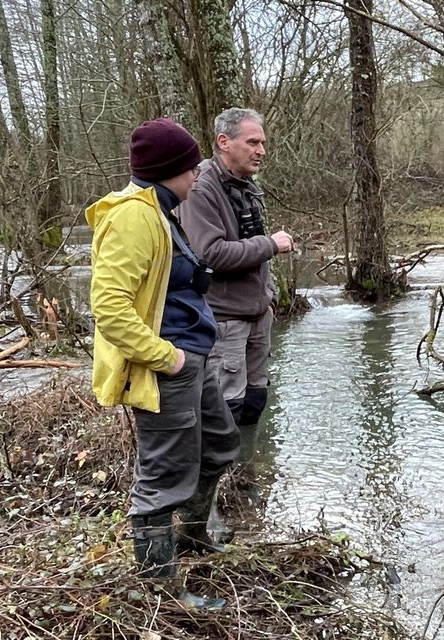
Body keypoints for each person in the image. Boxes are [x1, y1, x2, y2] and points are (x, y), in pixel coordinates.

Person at [87, 118, 239, 610]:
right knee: (163, 476)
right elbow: (110, 307)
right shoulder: (133, 217)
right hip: (165, 366)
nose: (198, 174)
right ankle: (160, 591)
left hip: (193, 355)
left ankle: (194, 535)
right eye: (191, 167)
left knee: (219, 445)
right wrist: (165, 357)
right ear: (167, 170)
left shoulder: (165, 209)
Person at [181, 108, 293, 427]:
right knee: (227, 411)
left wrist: (268, 298)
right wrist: (270, 244)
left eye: (263, 143)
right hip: (225, 321)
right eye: (253, 142)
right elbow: (211, 254)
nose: (261, 151)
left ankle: (251, 471)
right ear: (224, 141)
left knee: (256, 401)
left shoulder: (244, 184)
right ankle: (228, 476)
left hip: (257, 315)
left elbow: (248, 242)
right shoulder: (201, 188)